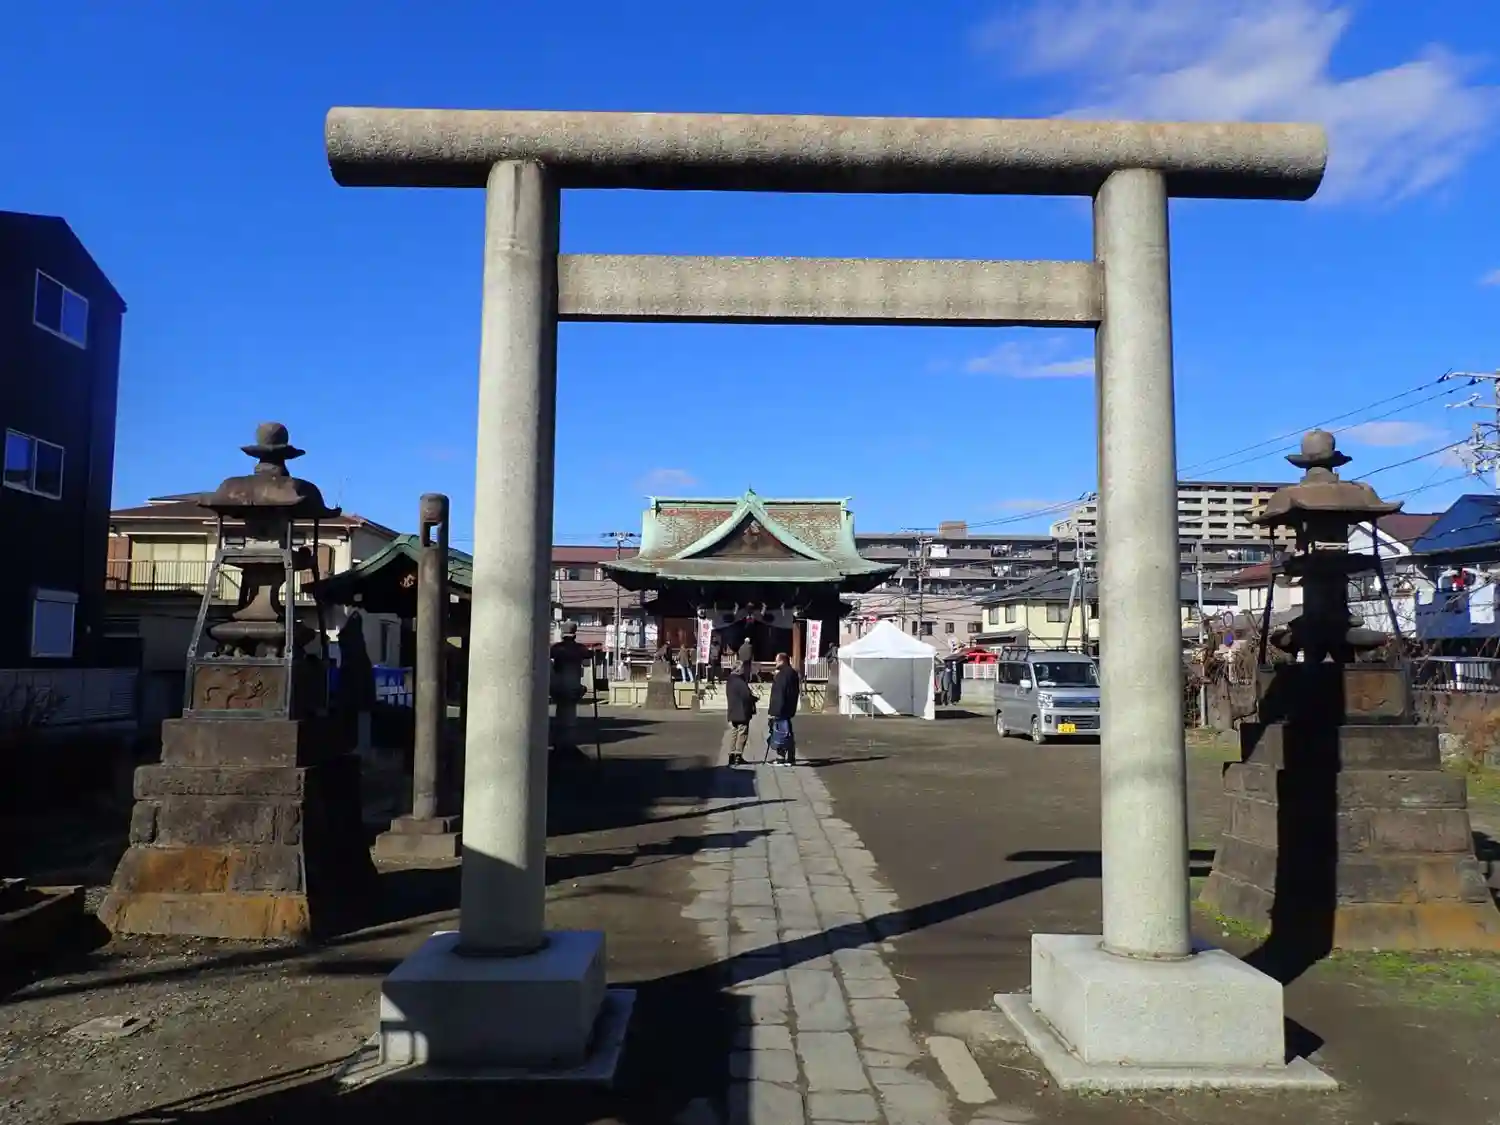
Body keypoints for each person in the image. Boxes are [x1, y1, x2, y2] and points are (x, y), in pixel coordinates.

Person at [767, 651, 801, 766]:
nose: (775, 663)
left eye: (776, 661)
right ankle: (791, 757)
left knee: (780, 733)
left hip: (781, 708)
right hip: (789, 707)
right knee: (788, 733)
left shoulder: (782, 675)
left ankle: (781, 758)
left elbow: (779, 694)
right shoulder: (793, 673)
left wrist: (773, 711)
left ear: (782, 661)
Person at [725, 660, 756, 767]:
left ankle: (731, 754)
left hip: (733, 710)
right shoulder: (739, 681)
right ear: (738, 669)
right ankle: (738, 754)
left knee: (734, 732)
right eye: (742, 668)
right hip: (741, 711)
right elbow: (746, 695)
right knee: (742, 733)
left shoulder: (730, 680)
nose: (744, 669)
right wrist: (754, 698)